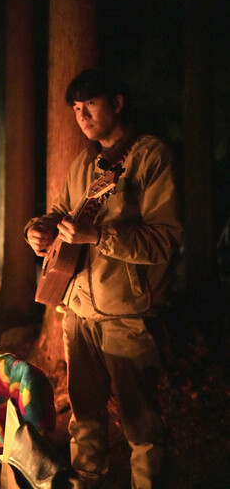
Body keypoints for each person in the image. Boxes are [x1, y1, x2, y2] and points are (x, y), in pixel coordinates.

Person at [24, 68, 182, 489]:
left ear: (117, 102)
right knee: (84, 417)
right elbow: (57, 212)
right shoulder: (82, 165)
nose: (82, 115)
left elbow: (165, 241)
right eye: (76, 108)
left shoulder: (152, 158)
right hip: (78, 311)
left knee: (141, 423)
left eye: (90, 104)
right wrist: (37, 230)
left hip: (127, 315)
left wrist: (99, 235)